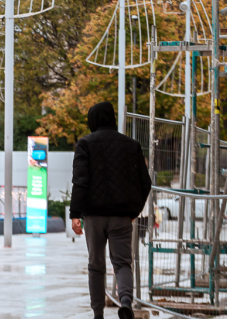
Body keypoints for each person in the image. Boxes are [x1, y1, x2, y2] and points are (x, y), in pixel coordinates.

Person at [70, 102, 152, 319]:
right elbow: (145, 183)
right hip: (121, 217)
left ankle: (98, 314)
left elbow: (80, 181)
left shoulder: (85, 144)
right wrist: (134, 211)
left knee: (96, 265)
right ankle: (125, 303)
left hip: (93, 217)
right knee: (123, 263)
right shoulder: (131, 145)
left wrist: (75, 214)